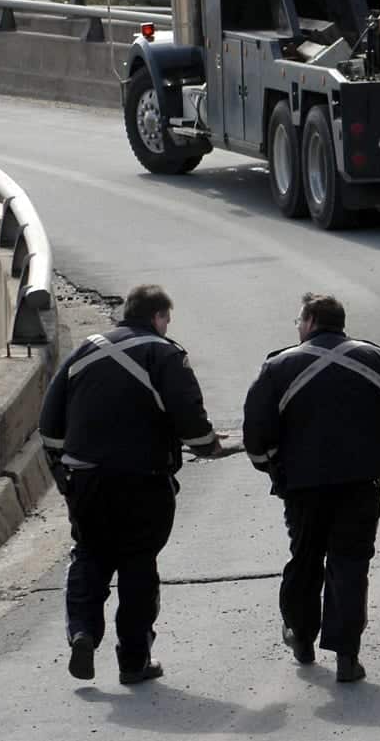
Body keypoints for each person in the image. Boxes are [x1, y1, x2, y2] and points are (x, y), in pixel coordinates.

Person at [38, 284, 239, 685]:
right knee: (137, 565)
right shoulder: (165, 354)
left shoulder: (84, 350)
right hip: (144, 482)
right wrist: (212, 447)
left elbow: (50, 422)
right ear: (158, 317)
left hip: (86, 479)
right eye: (167, 320)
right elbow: (190, 420)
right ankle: (133, 661)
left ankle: (82, 631)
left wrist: (63, 473)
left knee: (90, 554)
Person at [243, 292, 380, 683]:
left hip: (302, 486)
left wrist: (271, 468)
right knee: (350, 565)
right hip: (360, 484)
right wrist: (379, 458)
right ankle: (347, 656)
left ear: (311, 321)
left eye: (299, 321)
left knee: (305, 559)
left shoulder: (278, 366)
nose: (297, 328)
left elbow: (256, 429)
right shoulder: (376, 359)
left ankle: (301, 636)